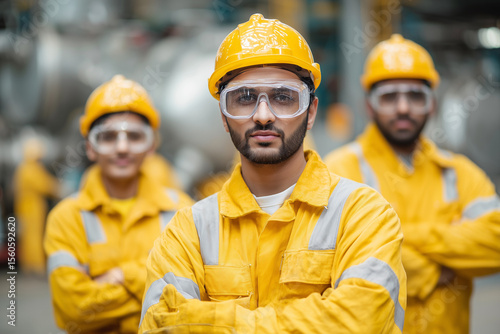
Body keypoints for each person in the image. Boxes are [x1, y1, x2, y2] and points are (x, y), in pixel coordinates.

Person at [139, 14, 406, 333]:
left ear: (311, 113)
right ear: (223, 117)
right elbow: (159, 325)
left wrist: (215, 321)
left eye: (283, 97)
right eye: (244, 98)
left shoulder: (364, 215)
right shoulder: (186, 232)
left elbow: (360, 322)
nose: (263, 116)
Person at [324, 34, 500, 334]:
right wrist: (437, 269)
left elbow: (495, 244)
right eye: (390, 97)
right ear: (369, 106)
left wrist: (403, 238)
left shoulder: (459, 172)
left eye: (415, 96)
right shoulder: (338, 170)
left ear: (432, 104)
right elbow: (333, 264)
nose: (403, 108)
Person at [44, 75, 193, 333]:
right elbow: (73, 309)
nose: (122, 148)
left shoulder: (182, 209)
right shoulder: (66, 217)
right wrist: (153, 285)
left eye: (135, 136)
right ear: (90, 147)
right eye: (109, 137)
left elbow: (195, 295)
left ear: (151, 145)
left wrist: (120, 276)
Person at [14, 138, 60, 276]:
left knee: (27, 236)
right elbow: (44, 184)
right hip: (32, 206)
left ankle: (28, 265)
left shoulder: (22, 168)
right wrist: (59, 188)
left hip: (24, 205)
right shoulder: (32, 168)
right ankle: (36, 266)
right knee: (34, 235)